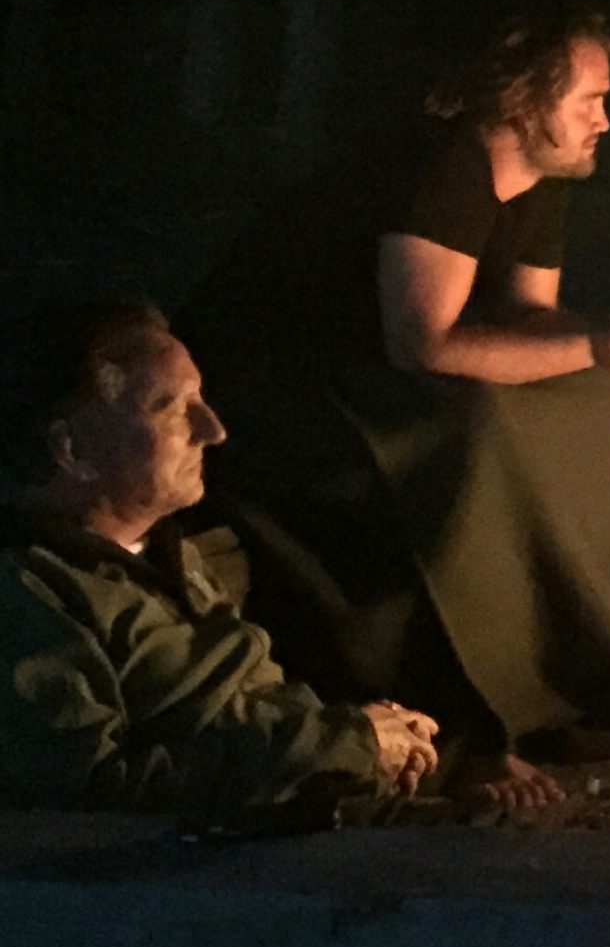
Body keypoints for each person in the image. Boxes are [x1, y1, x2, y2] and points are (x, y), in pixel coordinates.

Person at [182, 4, 610, 813]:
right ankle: (463, 719)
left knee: (582, 399)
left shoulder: (540, 180)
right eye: (589, 99)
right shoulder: (447, 167)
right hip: (277, 387)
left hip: (375, 372)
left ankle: (558, 663)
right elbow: (424, 342)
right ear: (525, 101)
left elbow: (532, 319)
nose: (605, 119)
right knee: (479, 431)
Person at [1, 305, 437, 819]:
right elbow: (95, 798)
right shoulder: (30, 593)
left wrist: (375, 751)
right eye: (172, 410)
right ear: (72, 448)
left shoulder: (170, 551)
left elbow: (250, 718)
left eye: (201, 399)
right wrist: (340, 746)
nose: (213, 429)